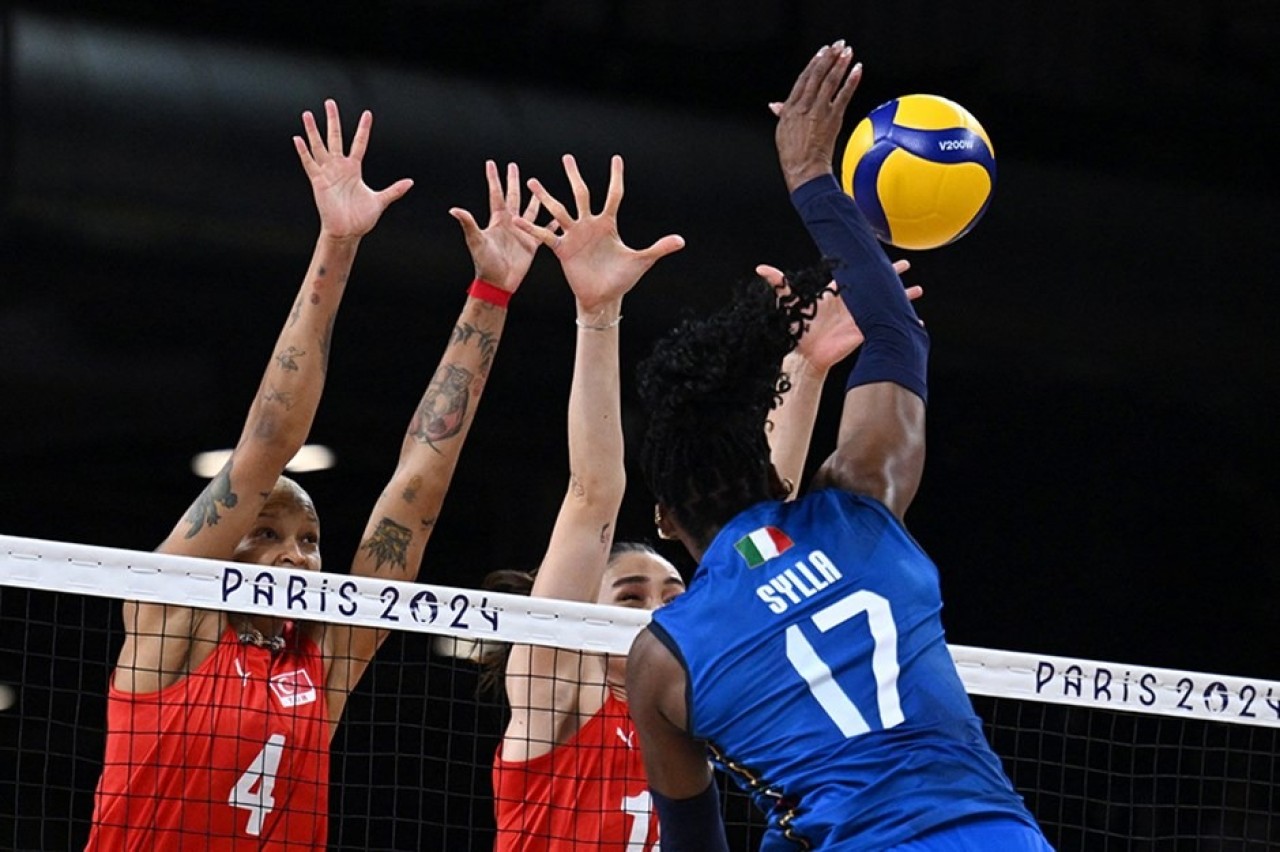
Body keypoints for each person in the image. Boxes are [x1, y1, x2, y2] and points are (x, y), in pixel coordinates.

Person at [625, 42, 1055, 851]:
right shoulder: (858, 505)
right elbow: (897, 334)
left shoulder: (661, 660)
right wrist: (812, 181)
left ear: (664, 517)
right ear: (772, 470)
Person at [85, 100, 545, 850]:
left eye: (308, 539)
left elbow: (417, 491)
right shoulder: (172, 615)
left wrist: (490, 296)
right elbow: (267, 444)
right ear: (224, 545)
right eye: (266, 532)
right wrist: (338, 241)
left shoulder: (323, 664)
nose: (295, 555)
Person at [479, 153, 685, 851]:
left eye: (672, 596)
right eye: (630, 597)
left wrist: (805, 370)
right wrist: (598, 313)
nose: (656, 612)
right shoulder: (558, 698)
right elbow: (594, 495)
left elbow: (768, 528)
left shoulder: (697, 719)